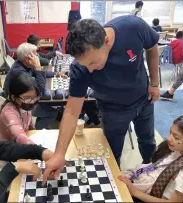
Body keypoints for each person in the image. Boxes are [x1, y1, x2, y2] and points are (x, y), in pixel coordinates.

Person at [43, 15, 160, 183]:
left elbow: (152, 47)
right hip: (112, 110)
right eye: (85, 65)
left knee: (148, 141)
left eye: (93, 62)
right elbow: (71, 111)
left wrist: (154, 84)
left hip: (143, 99)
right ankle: (118, 186)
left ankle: (152, 174)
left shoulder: (133, 27)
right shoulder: (80, 69)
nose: (90, 70)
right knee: (112, 154)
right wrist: (59, 154)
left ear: (106, 41)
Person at [117, 114, 183, 202]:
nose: (169, 138)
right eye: (170, 132)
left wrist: (134, 192)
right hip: (142, 184)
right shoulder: (177, 150)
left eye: (176, 137)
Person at [4, 43, 65, 129]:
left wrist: (56, 74)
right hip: (21, 105)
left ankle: (39, 122)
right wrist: (38, 67)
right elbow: (40, 91)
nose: (37, 58)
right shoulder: (19, 73)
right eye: (36, 56)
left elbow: (39, 74)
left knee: (48, 105)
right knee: (52, 113)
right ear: (27, 58)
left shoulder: (25, 65)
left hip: (26, 100)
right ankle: (36, 131)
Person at [0, 71, 39, 143]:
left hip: (22, 144)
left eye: (34, 97)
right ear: (14, 97)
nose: (32, 101)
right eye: (27, 98)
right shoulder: (8, 113)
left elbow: (31, 127)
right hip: (10, 150)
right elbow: (20, 137)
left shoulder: (25, 105)